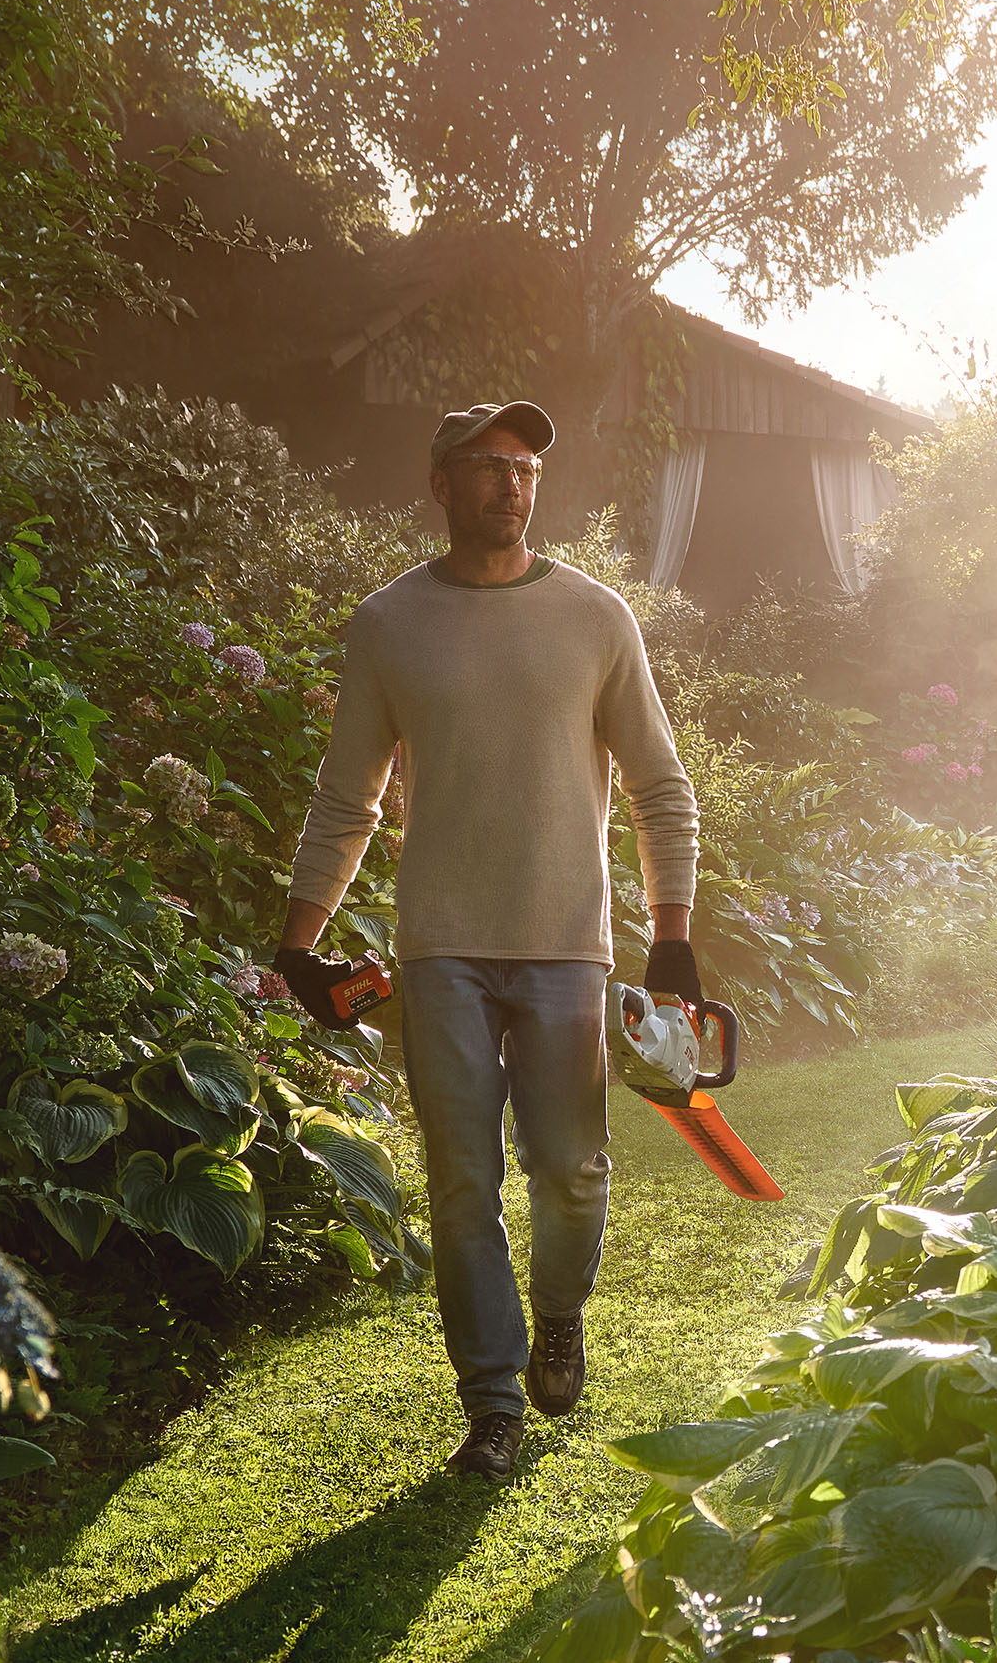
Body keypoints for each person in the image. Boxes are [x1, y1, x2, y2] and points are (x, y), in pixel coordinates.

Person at [272, 400, 702, 1481]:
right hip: (441, 950)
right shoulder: (388, 625)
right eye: (488, 465)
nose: (511, 483)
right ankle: (493, 1405)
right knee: (461, 1183)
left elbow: (657, 785)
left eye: (525, 468)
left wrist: (673, 938)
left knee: (572, 1171)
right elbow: (346, 798)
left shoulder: (597, 618)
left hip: (567, 945)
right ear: (443, 483)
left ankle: (557, 1318)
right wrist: (298, 940)